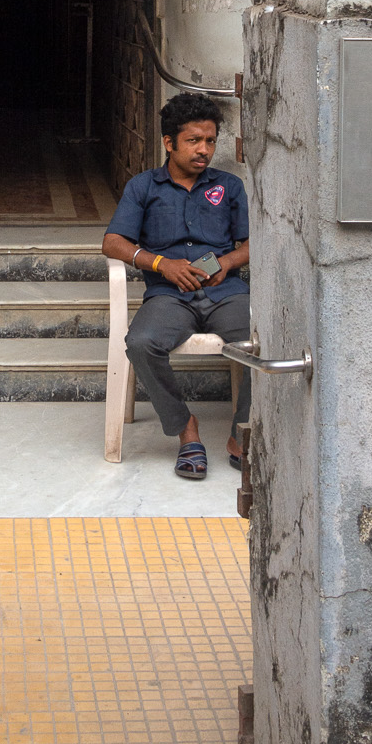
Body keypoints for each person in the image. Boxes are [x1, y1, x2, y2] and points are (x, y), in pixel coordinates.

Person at [101, 91, 250, 481]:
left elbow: (254, 242)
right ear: (170, 143)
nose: (204, 150)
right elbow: (112, 243)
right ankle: (186, 428)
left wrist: (228, 261)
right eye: (194, 140)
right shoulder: (143, 187)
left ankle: (242, 434)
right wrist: (161, 264)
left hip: (225, 292)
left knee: (264, 339)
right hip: (169, 297)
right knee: (140, 343)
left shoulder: (230, 187)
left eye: (210, 141)